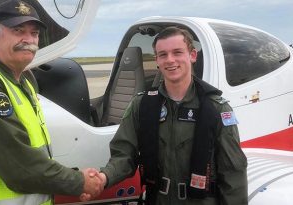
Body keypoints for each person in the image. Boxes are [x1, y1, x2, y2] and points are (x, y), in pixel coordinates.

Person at [0, 0, 102, 204]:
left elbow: (34, 156)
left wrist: (72, 177)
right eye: (18, 30)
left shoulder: (23, 82)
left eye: (34, 33)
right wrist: (79, 182)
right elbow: (20, 167)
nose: (29, 39)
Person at [98, 27, 248, 204]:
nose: (170, 60)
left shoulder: (217, 109)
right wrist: (103, 178)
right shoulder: (142, 105)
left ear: (192, 55)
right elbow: (123, 155)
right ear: (157, 61)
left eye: (177, 52)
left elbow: (233, 173)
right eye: (163, 54)